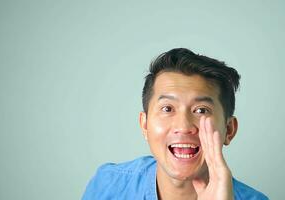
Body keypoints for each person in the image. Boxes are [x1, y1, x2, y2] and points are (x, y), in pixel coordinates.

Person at [82, 48, 269, 200]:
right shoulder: (109, 184)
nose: (183, 126)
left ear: (229, 130)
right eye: (167, 109)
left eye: (201, 110)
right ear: (144, 125)